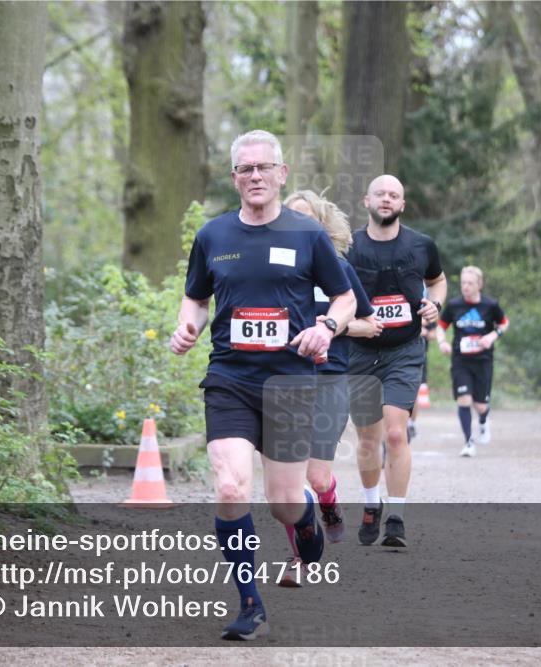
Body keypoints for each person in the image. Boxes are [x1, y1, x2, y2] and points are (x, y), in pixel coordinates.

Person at [170, 130, 356, 640]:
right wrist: (188, 325)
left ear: (281, 174)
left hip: (289, 382)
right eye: (245, 169)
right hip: (229, 378)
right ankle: (250, 604)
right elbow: (196, 298)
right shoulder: (212, 236)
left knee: (283, 503)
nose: (255, 176)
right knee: (231, 486)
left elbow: (344, 298)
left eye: (263, 167)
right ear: (234, 177)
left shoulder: (307, 234)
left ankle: (307, 519)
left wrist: (326, 327)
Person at [278, 189, 380, 586]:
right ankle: (298, 558)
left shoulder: (337, 268)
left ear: (321, 227)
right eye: (290, 218)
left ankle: (329, 500)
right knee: (289, 481)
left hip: (330, 380)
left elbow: (370, 325)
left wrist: (332, 326)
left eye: (307, 219)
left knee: (317, 478)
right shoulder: (273, 271)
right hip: (286, 379)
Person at [347, 175, 446, 548]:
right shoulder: (348, 247)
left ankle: (396, 518)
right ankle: (372, 503)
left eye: (394, 195)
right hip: (359, 352)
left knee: (394, 433)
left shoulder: (421, 245)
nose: (386, 199)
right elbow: (335, 297)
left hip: (404, 350)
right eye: (380, 194)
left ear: (402, 204)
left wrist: (435, 304)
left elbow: (437, 281)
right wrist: (352, 324)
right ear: (366, 200)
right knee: (368, 438)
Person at [437, 266, 508, 458]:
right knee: (464, 399)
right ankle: (468, 442)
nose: (465, 287)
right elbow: (441, 326)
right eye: (463, 283)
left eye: (470, 283)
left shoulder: (490, 305)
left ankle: (483, 420)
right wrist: (442, 342)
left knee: (480, 405)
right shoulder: (454, 305)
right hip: (460, 360)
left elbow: (504, 323)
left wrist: (492, 336)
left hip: (483, 361)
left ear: (479, 285)